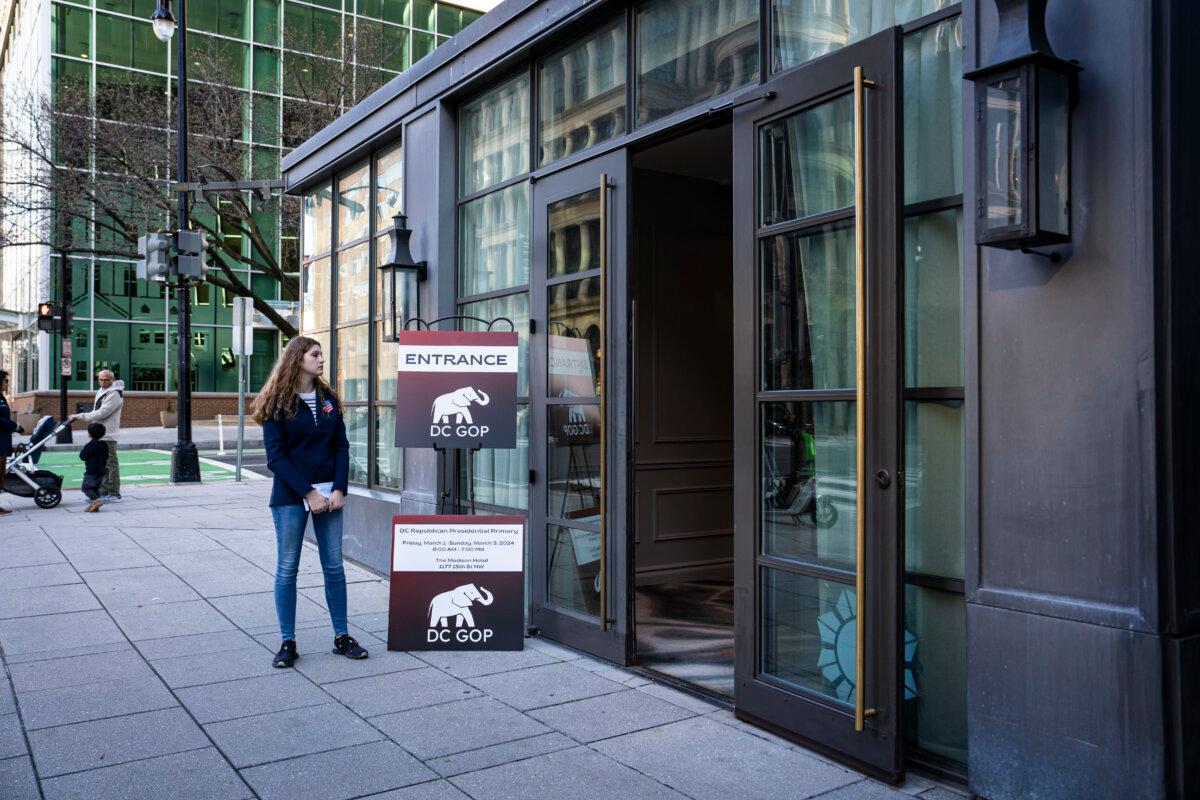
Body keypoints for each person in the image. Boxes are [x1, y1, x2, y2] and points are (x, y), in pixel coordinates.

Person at [251, 336, 368, 668]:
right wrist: (309, 493)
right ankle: (287, 642)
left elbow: (341, 447)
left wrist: (339, 490)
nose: (321, 360)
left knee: (334, 567)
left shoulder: (328, 399)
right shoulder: (277, 402)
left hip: (330, 494)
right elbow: (276, 458)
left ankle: (342, 637)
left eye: (321, 355)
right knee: (287, 568)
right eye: (315, 355)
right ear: (297, 359)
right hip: (291, 496)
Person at [69, 370, 124, 503]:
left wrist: (79, 416)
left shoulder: (114, 393)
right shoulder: (102, 391)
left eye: (106, 380)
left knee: (110, 464)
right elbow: (97, 412)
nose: (103, 382)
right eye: (100, 379)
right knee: (102, 465)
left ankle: (113, 493)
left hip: (108, 435)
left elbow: (102, 413)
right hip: (100, 434)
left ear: (113, 379)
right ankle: (102, 491)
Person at [0, 370, 26, 516]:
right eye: (5, 380)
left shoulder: (1, 398)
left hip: (3, 441)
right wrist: (15, 426)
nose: (7, 383)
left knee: (1, 474)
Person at [79, 422, 109, 513]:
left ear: (90, 434)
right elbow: (107, 456)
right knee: (95, 488)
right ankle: (95, 506)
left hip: (91, 471)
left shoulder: (90, 445)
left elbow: (82, 456)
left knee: (86, 488)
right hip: (102, 470)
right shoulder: (104, 445)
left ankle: (96, 501)